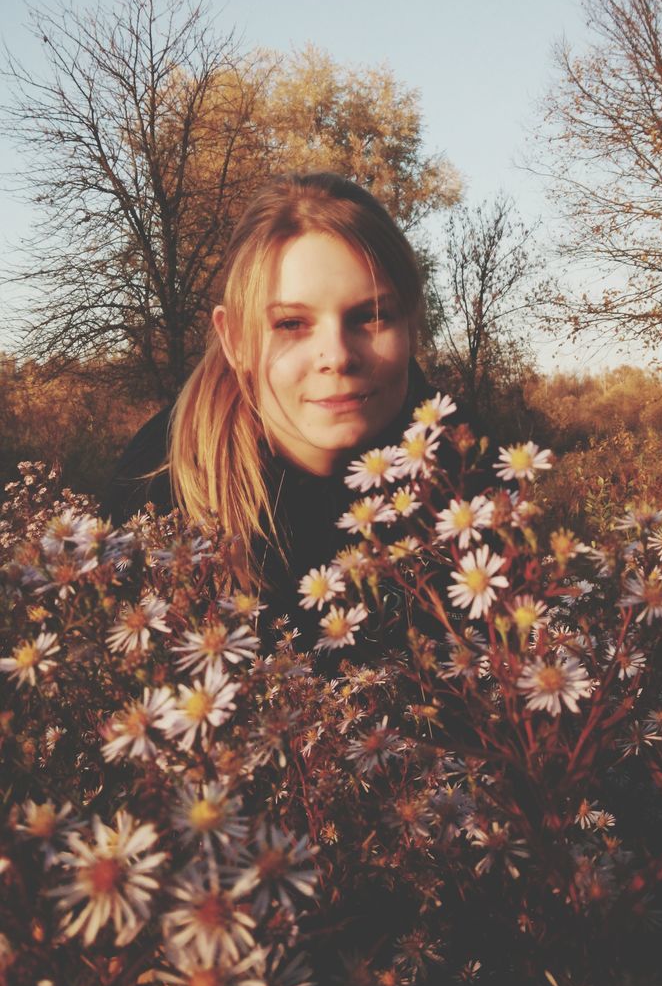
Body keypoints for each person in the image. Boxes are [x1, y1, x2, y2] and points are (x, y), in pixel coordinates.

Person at [103, 170, 444, 648]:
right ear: (235, 339)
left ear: (411, 325)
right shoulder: (160, 488)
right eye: (291, 323)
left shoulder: (468, 477)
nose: (338, 356)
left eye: (371, 316)